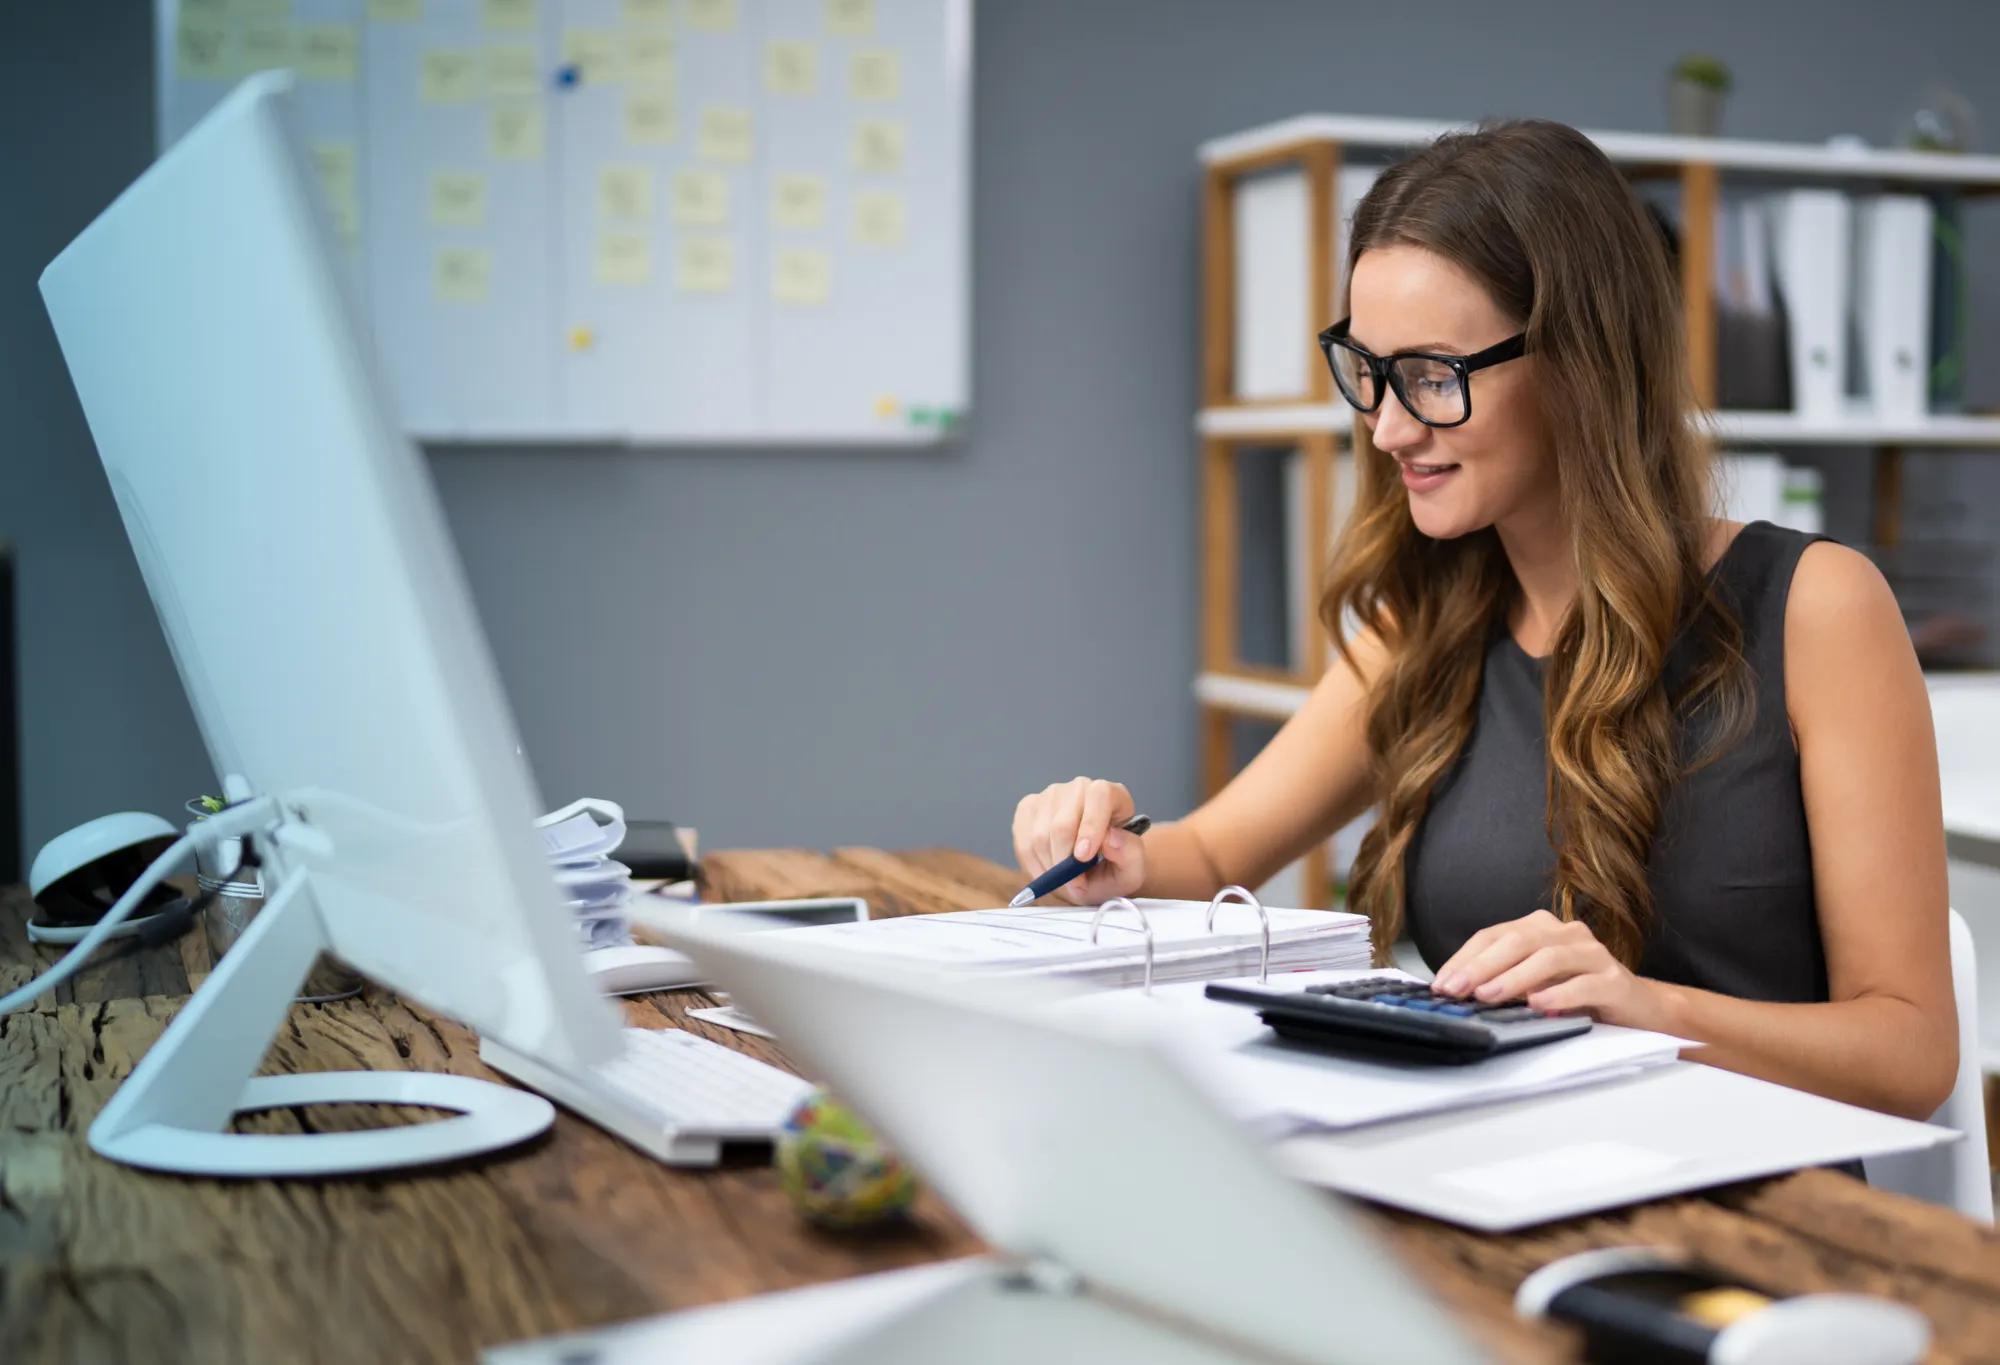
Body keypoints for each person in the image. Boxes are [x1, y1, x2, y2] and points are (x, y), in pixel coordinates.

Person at [1011, 118, 1956, 1122]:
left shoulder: (1813, 606)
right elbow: (1207, 860)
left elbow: (1907, 1051)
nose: (1384, 427)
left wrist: (1643, 1009)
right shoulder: (1427, 625)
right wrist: (1113, 853)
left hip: (1756, 1210)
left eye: (1430, 376)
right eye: (1367, 370)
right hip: (1500, 1169)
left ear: (1577, 364)